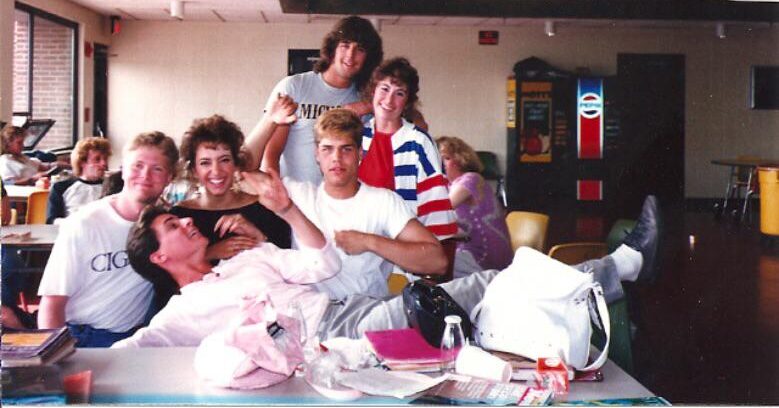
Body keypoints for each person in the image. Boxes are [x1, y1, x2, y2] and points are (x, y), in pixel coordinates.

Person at [113, 193, 661, 348]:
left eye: (179, 217)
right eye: (170, 226)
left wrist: (284, 211)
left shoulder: (247, 257)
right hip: (334, 339)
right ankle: (621, 267)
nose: (185, 223)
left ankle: (616, 277)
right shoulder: (179, 316)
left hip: (346, 313)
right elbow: (124, 352)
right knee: (485, 287)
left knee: (490, 297)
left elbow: (322, 262)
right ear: (158, 258)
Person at [282, 109, 447, 300]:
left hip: (366, 312)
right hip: (310, 314)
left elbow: (437, 261)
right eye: (327, 149)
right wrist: (271, 121)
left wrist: (370, 242)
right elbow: (244, 172)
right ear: (316, 154)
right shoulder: (298, 195)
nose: (336, 158)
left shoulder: (383, 201)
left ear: (360, 153)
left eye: (346, 149)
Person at [35, 131, 179, 347]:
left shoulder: (165, 226)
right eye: (137, 166)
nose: (145, 176)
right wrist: (57, 357)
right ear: (122, 170)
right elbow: (51, 305)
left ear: (169, 178)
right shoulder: (84, 223)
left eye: (157, 169)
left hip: (134, 338)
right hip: (80, 337)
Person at [256, 16, 383, 184]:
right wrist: (276, 196)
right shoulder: (294, 87)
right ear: (333, 49)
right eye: (345, 45)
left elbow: (410, 117)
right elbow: (270, 154)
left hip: (343, 203)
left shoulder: (367, 96)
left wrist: (369, 106)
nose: (350, 55)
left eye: (359, 49)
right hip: (294, 201)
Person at [171, 109, 296, 263]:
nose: (216, 171)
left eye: (224, 160)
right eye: (205, 163)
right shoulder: (179, 217)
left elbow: (289, 266)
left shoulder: (266, 208)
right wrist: (209, 254)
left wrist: (258, 238)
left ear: (236, 164)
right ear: (194, 170)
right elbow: (168, 273)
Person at [358, 58, 457, 242]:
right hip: (360, 244)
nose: (389, 100)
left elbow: (435, 207)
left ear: (407, 102)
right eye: (384, 89)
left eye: (400, 93)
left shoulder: (419, 142)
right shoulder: (357, 136)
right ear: (373, 91)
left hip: (402, 249)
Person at [436, 136, 513, 278]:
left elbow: (441, 209)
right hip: (467, 250)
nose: (440, 164)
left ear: (460, 159)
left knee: (432, 264)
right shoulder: (447, 185)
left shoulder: (471, 179)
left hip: (486, 255)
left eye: (446, 158)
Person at [46, 137, 112, 224]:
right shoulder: (61, 188)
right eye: (97, 159)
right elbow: (52, 220)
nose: (104, 163)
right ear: (81, 162)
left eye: (105, 159)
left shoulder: (112, 187)